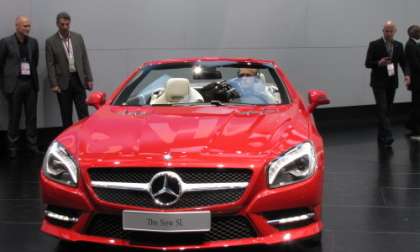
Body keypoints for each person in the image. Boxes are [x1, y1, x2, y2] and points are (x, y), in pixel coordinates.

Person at [0, 16, 41, 158]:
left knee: (32, 117)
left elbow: (34, 62)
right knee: (14, 116)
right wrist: (4, 86)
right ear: (17, 26)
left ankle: (32, 145)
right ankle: (12, 147)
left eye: (29, 26)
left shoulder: (33, 43)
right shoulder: (5, 42)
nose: (28, 29)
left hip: (30, 83)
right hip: (14, 85)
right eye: (25, 26)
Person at [365, 21, 410, 147]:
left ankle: (381, 136)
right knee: (383, 108)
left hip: (392, 82)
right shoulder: (374, 44)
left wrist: (407, 75)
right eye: (386, 31)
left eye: (391, 31)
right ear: (383, 31)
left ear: (395, 32)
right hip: (378, 82)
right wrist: (378, 63)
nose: (388, 33)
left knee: (386, 111)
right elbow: (367, 63)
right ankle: (388, 136)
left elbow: (404, 62)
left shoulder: (398, 45)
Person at [46, 12, 93, 129]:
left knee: (83, 112)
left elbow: (84, 58)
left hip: (78, 79)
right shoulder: (51, 41)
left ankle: (85, 137)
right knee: (66, 115)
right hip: (62, 83)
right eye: (62, 24)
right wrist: (54, 84)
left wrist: (89, 78)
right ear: (57, 24)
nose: (65, 27)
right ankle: (69, 141)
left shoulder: (78, 37)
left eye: (67, 24)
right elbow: (50, 64)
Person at [405, 25, 420, 140]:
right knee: (416, 105)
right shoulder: (410, 45)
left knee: (416, 104)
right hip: (416, 81)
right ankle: (415, 129)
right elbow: (415, 64)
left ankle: (411, 125)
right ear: (413, 33)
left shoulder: (414, 44)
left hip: (417, 80)